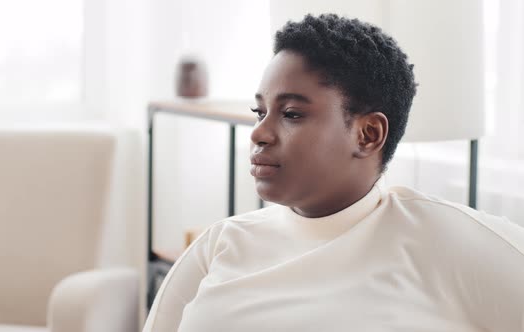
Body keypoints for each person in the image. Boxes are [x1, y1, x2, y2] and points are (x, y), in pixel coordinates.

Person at [143, 13, 524, 332]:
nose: (259, 133)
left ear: (367, 134)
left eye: (291, 114)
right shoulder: (220, 244)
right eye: (260, 112)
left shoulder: (448, 240)